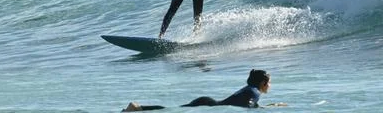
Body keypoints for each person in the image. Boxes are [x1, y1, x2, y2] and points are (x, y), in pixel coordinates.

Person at [121, 69, 287, 111]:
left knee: (172, 110)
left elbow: (249, 105)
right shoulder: (254, 93)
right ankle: (136, 108)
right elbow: (249, 106)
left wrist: (273, 106)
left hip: (208, 103)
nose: (270, 86)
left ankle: (138, 109)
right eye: (269, 82)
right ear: (263, 83)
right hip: (207, 106)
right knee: (170, 111)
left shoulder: (251, 90)